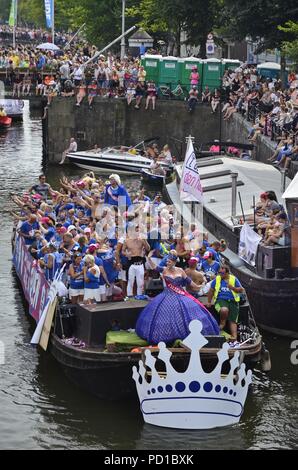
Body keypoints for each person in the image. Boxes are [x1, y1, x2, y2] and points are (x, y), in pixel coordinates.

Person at [136, 252, 220, 344]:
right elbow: (154, 267)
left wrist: (201, 286)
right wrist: (148, 258)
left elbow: (191, 283)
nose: (167, 263)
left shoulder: (180, 271)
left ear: (174, 262)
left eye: (169, 261)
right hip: (167, 295)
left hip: (180, 295)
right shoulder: (164, 270)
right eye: (167, 261)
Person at [207, 265, 244, 342]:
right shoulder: (217, 279)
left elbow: (241, 290)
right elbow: (211, 290)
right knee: (224, 310)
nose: (220, 274)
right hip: (220, 301)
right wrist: (209, 301)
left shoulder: (233, 279)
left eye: (222, 273)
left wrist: (233, 288)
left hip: (233, 302)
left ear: (227, 273)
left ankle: (234, 338)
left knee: (233, 321)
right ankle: (222, 323)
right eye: (219, 272)